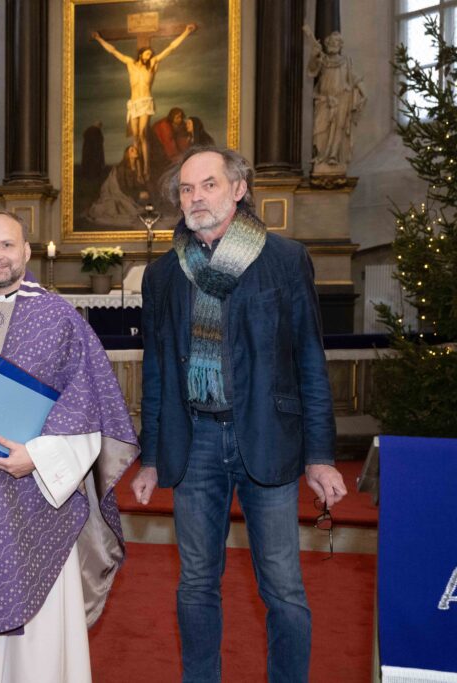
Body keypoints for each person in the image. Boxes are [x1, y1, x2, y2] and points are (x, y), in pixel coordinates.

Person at [131, 147, 348, 682]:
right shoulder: (163, 275)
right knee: (196, 585)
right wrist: (151, 457)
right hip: (194, 443)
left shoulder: (284, 259)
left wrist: (321, 456)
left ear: (238, 189)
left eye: (208, 185)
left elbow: (309, 361)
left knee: (283, 589)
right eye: (186, 189)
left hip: (267, 436)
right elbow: (156, 372)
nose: (196, 197)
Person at [0, 211, 139, 682]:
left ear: (27, 251)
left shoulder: (60, 319)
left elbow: (90, 408)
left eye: (6, 245)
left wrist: (37, 458)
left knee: (32, 636)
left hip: (34, 499)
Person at [91, 23, 197, 180]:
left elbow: (170, 48)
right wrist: (99, 39)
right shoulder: (130, 63)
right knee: (136, 138)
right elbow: (113, 51)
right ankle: (138, 169)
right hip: (134, 104)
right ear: (141, 54)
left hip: (145, 102)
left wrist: (186, 32)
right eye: (146, 54)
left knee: (142, 134)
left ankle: (146, 168)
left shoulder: (152, 65)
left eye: (150, 55)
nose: (148, 56)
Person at [305, 29, 365, 172]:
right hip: (324, 100)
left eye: (336, 41)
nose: (333, 44)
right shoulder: (323, 60)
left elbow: (354, 78)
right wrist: (313, 55)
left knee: (339, 128)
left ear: (340, 45)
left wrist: (363, 92)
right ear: (326, 44)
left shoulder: (346, 61)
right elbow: (312, 70)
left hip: (342, 97)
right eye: (331, 42)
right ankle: (321, 156)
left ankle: (333, 156)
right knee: (320, 129)